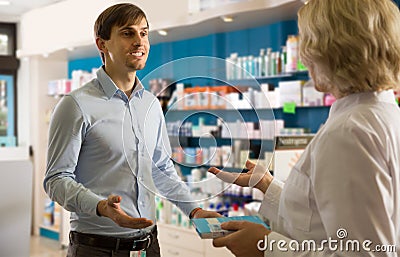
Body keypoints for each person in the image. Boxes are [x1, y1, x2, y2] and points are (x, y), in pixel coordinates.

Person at [208, 0, 400, 256]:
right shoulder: (381, 114)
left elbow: (363, 252)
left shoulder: (348, 132)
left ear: (331, 49)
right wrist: (266, 184)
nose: (303, 55)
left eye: (307, 41)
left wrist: (267, 247)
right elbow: (320, 220)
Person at [43, 3, 218, 257]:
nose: (139, 42)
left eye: (144, 33)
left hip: (149, 246)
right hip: (96, 248)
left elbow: (160, 169)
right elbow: (56, 180)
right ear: (102, 44)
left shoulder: (151, 104)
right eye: (128, 33)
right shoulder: (75, 105)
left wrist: (194, 210)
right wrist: (101, 207)